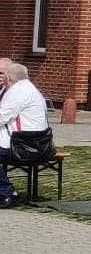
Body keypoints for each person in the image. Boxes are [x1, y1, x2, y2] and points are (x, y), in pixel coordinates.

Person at [0, 60, 54, 205]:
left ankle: (7, 193)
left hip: (24, 146)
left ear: (8, 78)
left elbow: (1, 117)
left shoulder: (17, 92)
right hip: (38, 143)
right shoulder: (30, 88)